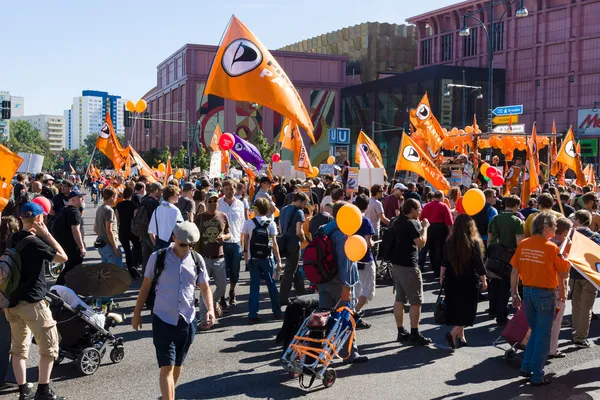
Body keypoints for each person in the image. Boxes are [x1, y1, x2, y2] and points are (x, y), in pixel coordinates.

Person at [131, 222, 214, 400]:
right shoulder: (158, 257)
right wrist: (136, 314)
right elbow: (145, 287)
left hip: (187, 320)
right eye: (183, 244)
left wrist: (210, 310)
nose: (187, 248)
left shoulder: (197, 260)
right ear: (174, 238)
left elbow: (205, 288)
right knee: (166, 367)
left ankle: (166, 394)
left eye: (191, 245)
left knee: (177, 365)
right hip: (163, 318)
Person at [5, 202, 68, 400]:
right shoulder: (35, 242)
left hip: (12, 304)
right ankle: (43, 391)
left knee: (18, 349)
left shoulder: (13, 238)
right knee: (49, 348)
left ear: (22, 218)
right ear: (40, 219)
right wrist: (47, 235)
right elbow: (62, 258)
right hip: (33, 303)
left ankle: (24, 391)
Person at [510, 212, 570, 386]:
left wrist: (514, 293)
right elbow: (564, 273)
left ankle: (526, 366)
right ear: (545, 227)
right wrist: (565, 258)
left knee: (536, 332)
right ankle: (537, 374)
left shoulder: (524, 244)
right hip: (545, 295)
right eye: (553, 227)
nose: (555, 229)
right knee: (543, 336)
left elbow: (514, 271)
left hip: (528, 293)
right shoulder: (551, 248)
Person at [319, 202, 368, 363]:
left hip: (324, 279)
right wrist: (347, 285)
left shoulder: (324, 228)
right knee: (346, 318)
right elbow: (344, 261)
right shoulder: (342, 233)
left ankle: (323, 352)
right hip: (340, 282)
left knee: (324, 318)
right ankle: (350, 353)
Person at [388, 199, 432, 345]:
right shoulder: (410, 223)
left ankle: (401, 331)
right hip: (409, 265)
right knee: (416, 301)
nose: (420, 211)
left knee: (399, 299)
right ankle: (415, 333)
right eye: (418, 209)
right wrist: (425, 227)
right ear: (412, 209)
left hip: (396, 265)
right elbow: (421, 243)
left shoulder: (395, 221)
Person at [441, 214, 487, 348]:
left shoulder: (449, 241)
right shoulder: (474, 243)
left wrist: (442, 277)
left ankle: (461, 338)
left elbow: (444, 262)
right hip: (469, 280)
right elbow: (479, 264)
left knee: (457, 309)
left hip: (451, 279)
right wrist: (484, 281)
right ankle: (453, 333)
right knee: (468, 311)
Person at [241, 197, 282, 322]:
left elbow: (245, 243)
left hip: (254, 258)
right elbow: (274, 244)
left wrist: (247, 259)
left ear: (256, 209)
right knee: (272, 285)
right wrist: (278, 260)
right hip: (267, 258)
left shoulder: (248, 223)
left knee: (254, 286)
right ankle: (276, 311)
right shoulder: (271, 223)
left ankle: (253, 313)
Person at [487, 195, 524, 324]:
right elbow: (519, 243)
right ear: (516, 206)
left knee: (494, 282)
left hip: (494, 254)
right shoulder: (517, 221)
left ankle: (492, 309)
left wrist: (489, 255)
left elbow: (490, 238)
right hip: (509, 256)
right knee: (505, 286)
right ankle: (501, 316)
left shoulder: (495, 218)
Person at [194, 191, 230, 327]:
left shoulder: (223, 216)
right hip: (204, 258)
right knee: (205, 288)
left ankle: (212, 301)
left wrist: (224, 237)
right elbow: (193, 235)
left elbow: (229, 234)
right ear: (206, 202)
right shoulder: (200, 218)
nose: (213, 204)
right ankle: (204, 320)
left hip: (219, 258)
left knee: (222, 287)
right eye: (210, 201)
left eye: (215, 201)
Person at [569, 210, 600, 348]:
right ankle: (581, 337)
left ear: (577, 221)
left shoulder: (571, 236)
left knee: (576, 305)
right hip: (590, 276)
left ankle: (575, 332)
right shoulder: (595, 236)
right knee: (586, 307)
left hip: (574, 274)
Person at [278, 192, 309, 305]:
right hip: (294, 243)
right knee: (290, 271)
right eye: (304, 204)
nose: (304, 206)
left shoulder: (283, 209)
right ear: (299, 201)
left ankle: (301, 292)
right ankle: (283, 297)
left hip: (285, 241)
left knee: (293, 268)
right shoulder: (299, 212)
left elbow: (280, 228)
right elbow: (299, 231)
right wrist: (303, 238)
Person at [218, 180, 245, 307]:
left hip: (236, 242)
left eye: (232, 188)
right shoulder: (218, 204)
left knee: (235, 271)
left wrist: (244, 245)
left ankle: (232, 291)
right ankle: (222, 296)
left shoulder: (240, 204)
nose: (229, 191)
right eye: (227, 188)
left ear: (235, 189)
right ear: (223, 190)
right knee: (222, 272)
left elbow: (243, 225)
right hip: (222, 242)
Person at [549, 217, 572, 358]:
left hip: (546, 285)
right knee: (556, 321)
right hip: (558, 287)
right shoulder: (561, 246)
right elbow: (561, 271)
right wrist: (563, 291)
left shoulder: (549, 242)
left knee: (545, 320)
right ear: (565, 232)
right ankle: (552, 348)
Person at [0, 216, 18, 390]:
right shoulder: (14, 249)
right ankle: (8, 377)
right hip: (7, 298)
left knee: (3, 339)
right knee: (13, 340)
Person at [53, 190, 86, 285]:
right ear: (74, 200)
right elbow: (75, 230)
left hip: (65, 245)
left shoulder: (65, 210)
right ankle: (58, 288)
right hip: (72, 246)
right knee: (72, 268)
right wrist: (81, 247)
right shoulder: (74, 212)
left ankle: (63, 288)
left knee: (70, 268)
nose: (83, 199)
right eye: (80, 198)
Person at [353, 194, 376, 329]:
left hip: (351, 258)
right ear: (367, 207)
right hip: (365, 259)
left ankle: (354, 314)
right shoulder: (365, 221)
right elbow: (368, 243)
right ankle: (353, 314)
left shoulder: (349, 220)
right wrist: (372, 242)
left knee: (355, 289)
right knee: (368, 289)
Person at [420, 190, 453, 278]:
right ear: (442, 197)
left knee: (431, 249)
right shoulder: (444, 206)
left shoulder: (427, 206)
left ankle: (434, 268)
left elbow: (421, 218)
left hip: (430, 228)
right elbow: (449, 221)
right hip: (441, 229)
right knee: (440, 250)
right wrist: (451, 232)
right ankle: (437, 271)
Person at [94, 186, 124, 266]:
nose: (116, 199)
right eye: (116, 196)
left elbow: (95, 228)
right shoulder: (109, 210)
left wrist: (102, 236)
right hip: (109, 244)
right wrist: (115, 247)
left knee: (106, 271)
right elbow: (109, 230)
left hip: (102, 243)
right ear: (112, 197)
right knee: (116, 271)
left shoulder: (100, 209)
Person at [116, 187, 142, 274]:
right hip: (132, 229)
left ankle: (130, 269)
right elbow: (135, 219)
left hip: (123, 229)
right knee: (138, 247)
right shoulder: (134, 205)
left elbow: (117, 219)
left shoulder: (119, 205)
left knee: (127, 251)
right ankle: (136, 264)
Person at [149, 185, 184, 251]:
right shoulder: (175, 210)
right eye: (177, 194)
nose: (178, 196)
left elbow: (151, 232)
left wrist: (156, 245)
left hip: (159, 243)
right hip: (172, 245)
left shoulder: (157, 209)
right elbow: (181, 230)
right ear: (171, 196)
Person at [139, 182, 163, 272]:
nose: (161, 193)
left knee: (146, 256)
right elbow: (156, 220)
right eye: (160, 191)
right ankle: (151, 278)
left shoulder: (144, 199)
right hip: (152, 233)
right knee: (154, 257)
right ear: (156, 190)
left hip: (143, 231)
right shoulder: (154, 203)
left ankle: (145, 277)